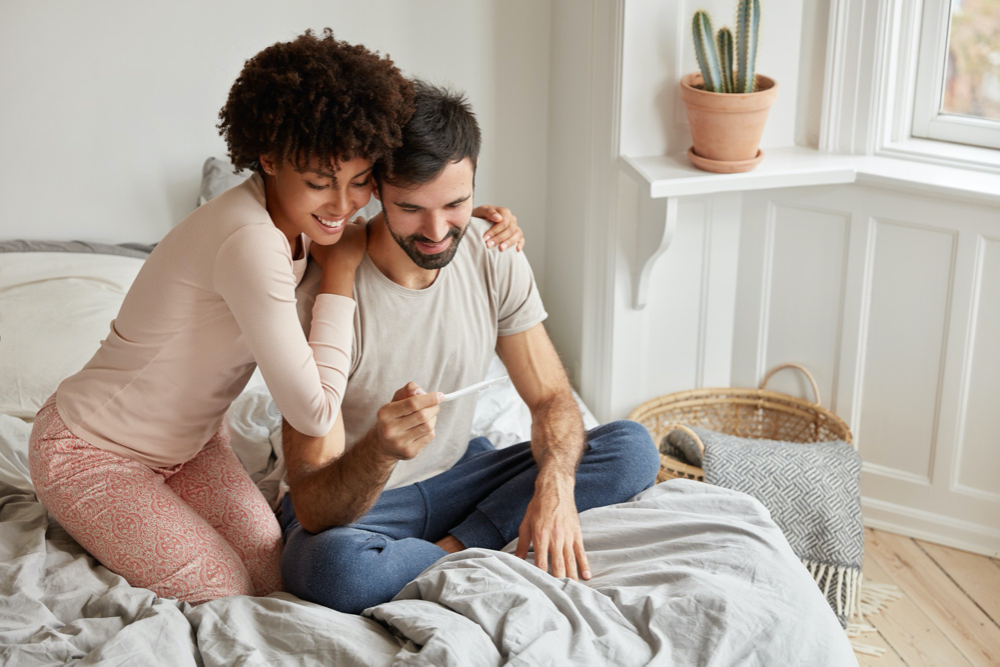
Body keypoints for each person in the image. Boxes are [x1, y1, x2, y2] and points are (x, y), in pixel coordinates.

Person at [26, 30, 522, 606]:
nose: (341, 204)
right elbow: (312, 409)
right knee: (224, 590)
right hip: (94, 451)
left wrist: (473, 219)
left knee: (274, 576)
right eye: (319, 184)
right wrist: (339, 275)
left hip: (194, 447)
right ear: (269, 160)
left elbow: (409, 215)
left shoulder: (309, 224)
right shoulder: (250, 239)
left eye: (359, 180)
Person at [279, 81, 661, 615]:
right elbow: (314, 506)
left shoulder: (493, 251)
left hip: (461, 476)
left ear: (476, 183)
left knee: (631, 447)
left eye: (456, 204)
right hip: (359, 508)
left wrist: (554, 485)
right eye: (410, 208)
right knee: (330, 569)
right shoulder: (323, 292)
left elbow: (551, 396)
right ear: (376, 191)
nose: (437, 231)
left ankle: (448, 550)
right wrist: (380, 450)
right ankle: (468, 543)